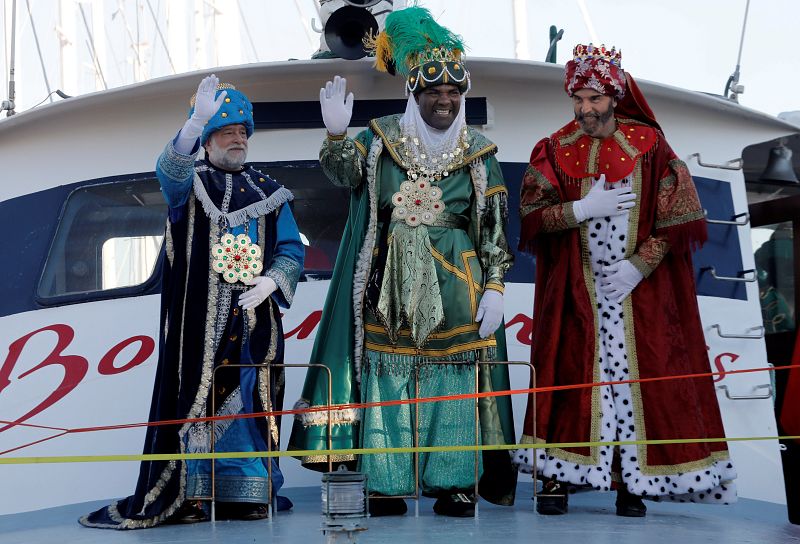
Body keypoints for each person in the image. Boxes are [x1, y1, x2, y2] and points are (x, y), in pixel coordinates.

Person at [289, 5, 516, 518]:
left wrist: (497, 286)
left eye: (454, 93)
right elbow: (345, 177)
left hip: (460, 285)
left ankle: (454, 484)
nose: (445, 100)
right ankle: (388, 484)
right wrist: (336, 137)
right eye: (435, 92)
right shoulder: (380, 139)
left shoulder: (479, 153)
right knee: (387, 375)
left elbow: (494, 229)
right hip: (387, 284)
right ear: (414, 93)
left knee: (453, 381)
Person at [513, 44, 737, 516]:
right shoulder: (554, 148)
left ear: (614, 97)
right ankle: (556, 477)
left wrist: (641, 264)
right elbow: (533, 216)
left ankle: (628, 483)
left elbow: (679, 214)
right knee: (570, 376)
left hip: (638, 292)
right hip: (576, 290)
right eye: (578, 99)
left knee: (634, 380)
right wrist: (580, 209)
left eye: (594, 99)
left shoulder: (651, 146)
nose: (585, 109)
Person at [80, 75, 304, 529]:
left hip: (255, 321)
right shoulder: (190, 183)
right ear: (207, 140)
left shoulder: (270, 192)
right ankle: (191, 493)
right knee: (195, 404)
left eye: (243, 132)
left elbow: (291, 249)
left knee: (250, 405)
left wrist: (271, 282)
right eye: (226, 131)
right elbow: (169, 171)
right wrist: (193, 122)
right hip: (197, 321)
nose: (237, 139)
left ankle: (250, 492)